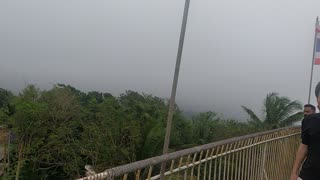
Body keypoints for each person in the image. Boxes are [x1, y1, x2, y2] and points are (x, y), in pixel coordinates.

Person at [291, 82, 320, 180]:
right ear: (317, 100)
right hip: (309, 174)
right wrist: (294, 173)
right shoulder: (309, 121)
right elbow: (304, 146)